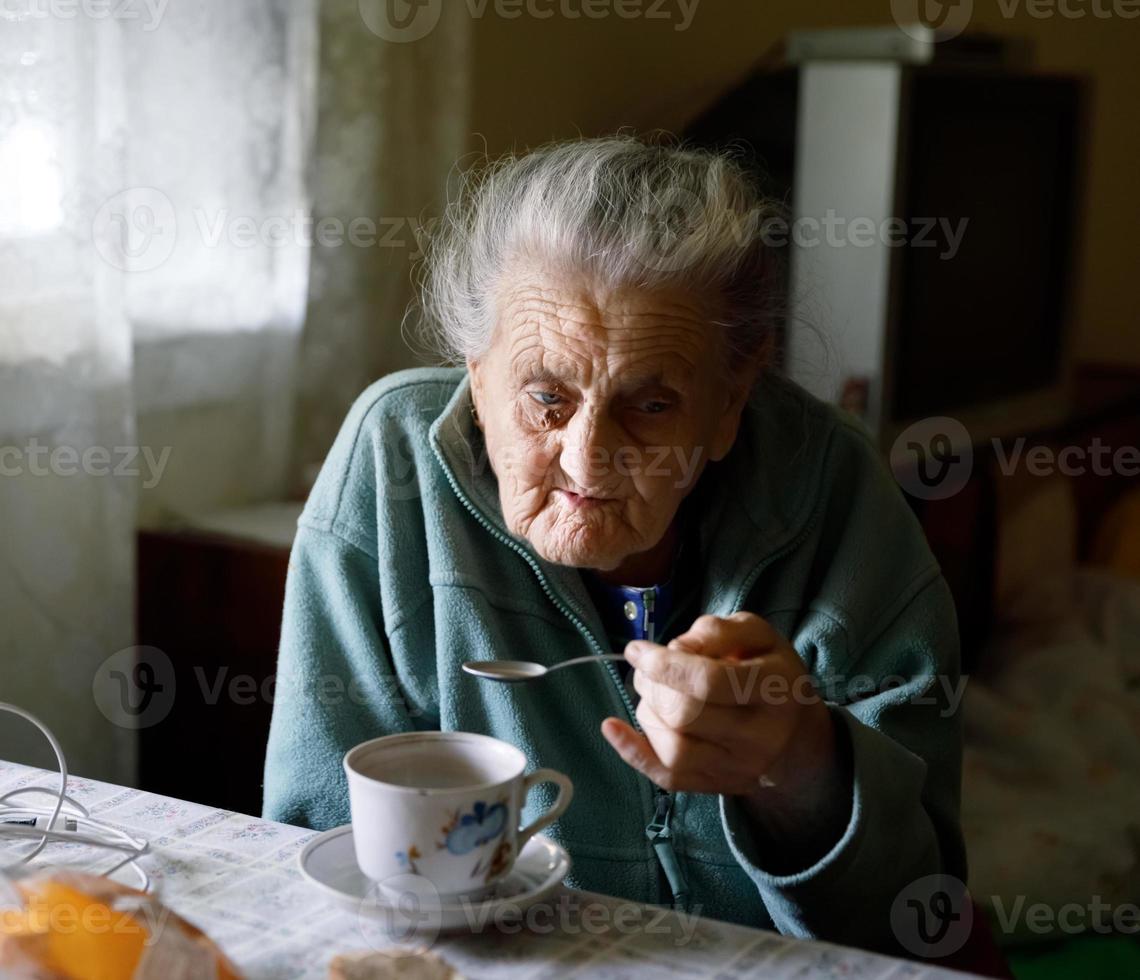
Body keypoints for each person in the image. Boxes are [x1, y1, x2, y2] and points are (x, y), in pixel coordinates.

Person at [263, 135, 965, 949]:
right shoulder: (394, 469)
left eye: (653, 404)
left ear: (731, 400)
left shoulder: (835, 492)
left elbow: (925, 918)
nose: (588, 457)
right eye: (546, 397)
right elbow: (316, 847)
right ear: (475, 373)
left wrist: (805, 773)